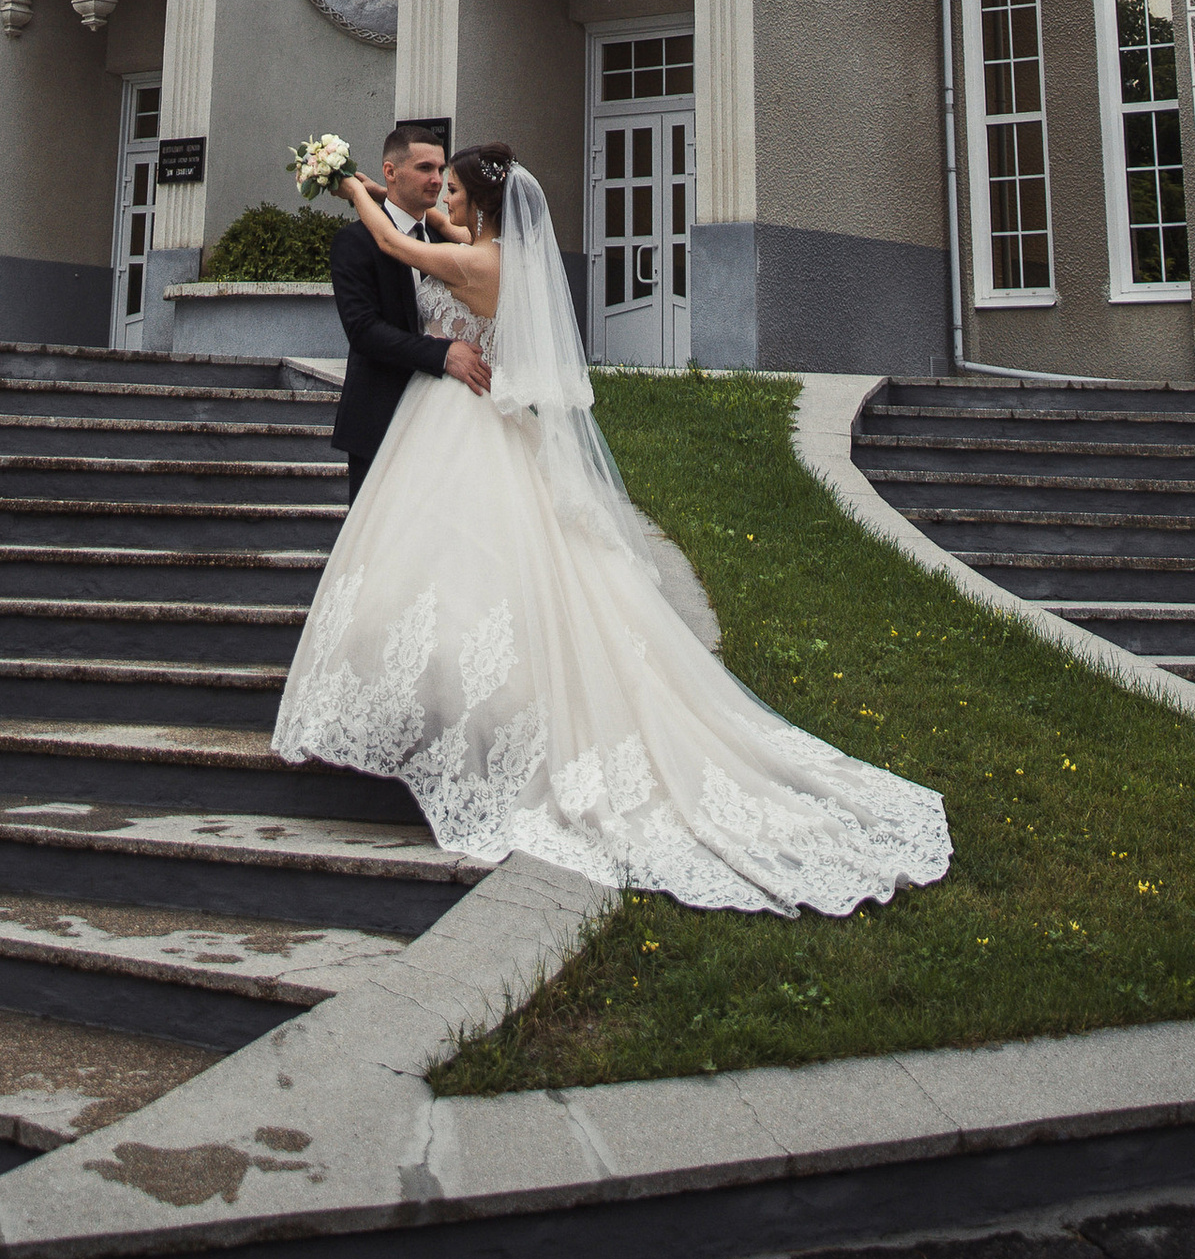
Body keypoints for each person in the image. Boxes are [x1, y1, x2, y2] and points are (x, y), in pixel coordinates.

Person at [275, 142, 950, 918]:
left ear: (480, 203)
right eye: (436, 182)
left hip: (461, 421)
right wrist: (370, 191)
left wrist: (345, 184)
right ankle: (425, 719)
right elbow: (410, 246)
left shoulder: (477, 261)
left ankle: (474, 734)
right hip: (445, 421)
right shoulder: (483, 248)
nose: (442, 197)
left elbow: (398, 243)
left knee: (471, 575)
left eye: (452, 186)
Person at [326, 118, 491, 503]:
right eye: (425, 168)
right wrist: (443, 354)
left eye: (441, 170)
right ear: (391, 172)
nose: (437, 179)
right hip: (380, 415)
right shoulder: (354, 242)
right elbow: (363, 330)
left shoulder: (447, 238)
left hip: (448, 420)